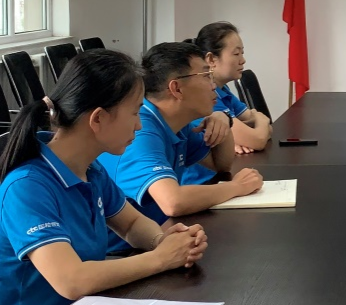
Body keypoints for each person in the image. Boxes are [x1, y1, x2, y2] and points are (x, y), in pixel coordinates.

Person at [0, 50, 208, 305]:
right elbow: (71, 280)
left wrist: (162, 240)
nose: (139, 124)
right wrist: (161, 258)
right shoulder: (27, 187)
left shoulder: (89, 169)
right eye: (134, 113)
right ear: (97, 119)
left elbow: (131, 224)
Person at [97, 42, 262, 250]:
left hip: (158, 237)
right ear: (176, 88)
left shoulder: (177, 122)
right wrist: (237, 187)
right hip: (123, 254)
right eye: (206, 76)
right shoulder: (140, 131)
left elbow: (221, 164)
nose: (213, 86)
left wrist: (223, 120)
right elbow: (173, 202)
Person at [181, 23, 272, 192]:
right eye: (236, 54)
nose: (243, 60)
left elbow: (259, 128)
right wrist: (259, 122)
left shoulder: (223, 90)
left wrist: (256, 125)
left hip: (220, 177)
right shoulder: (205, 96)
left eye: (242, 53)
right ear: (211, 59)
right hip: (203, 184)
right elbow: (257, 139)